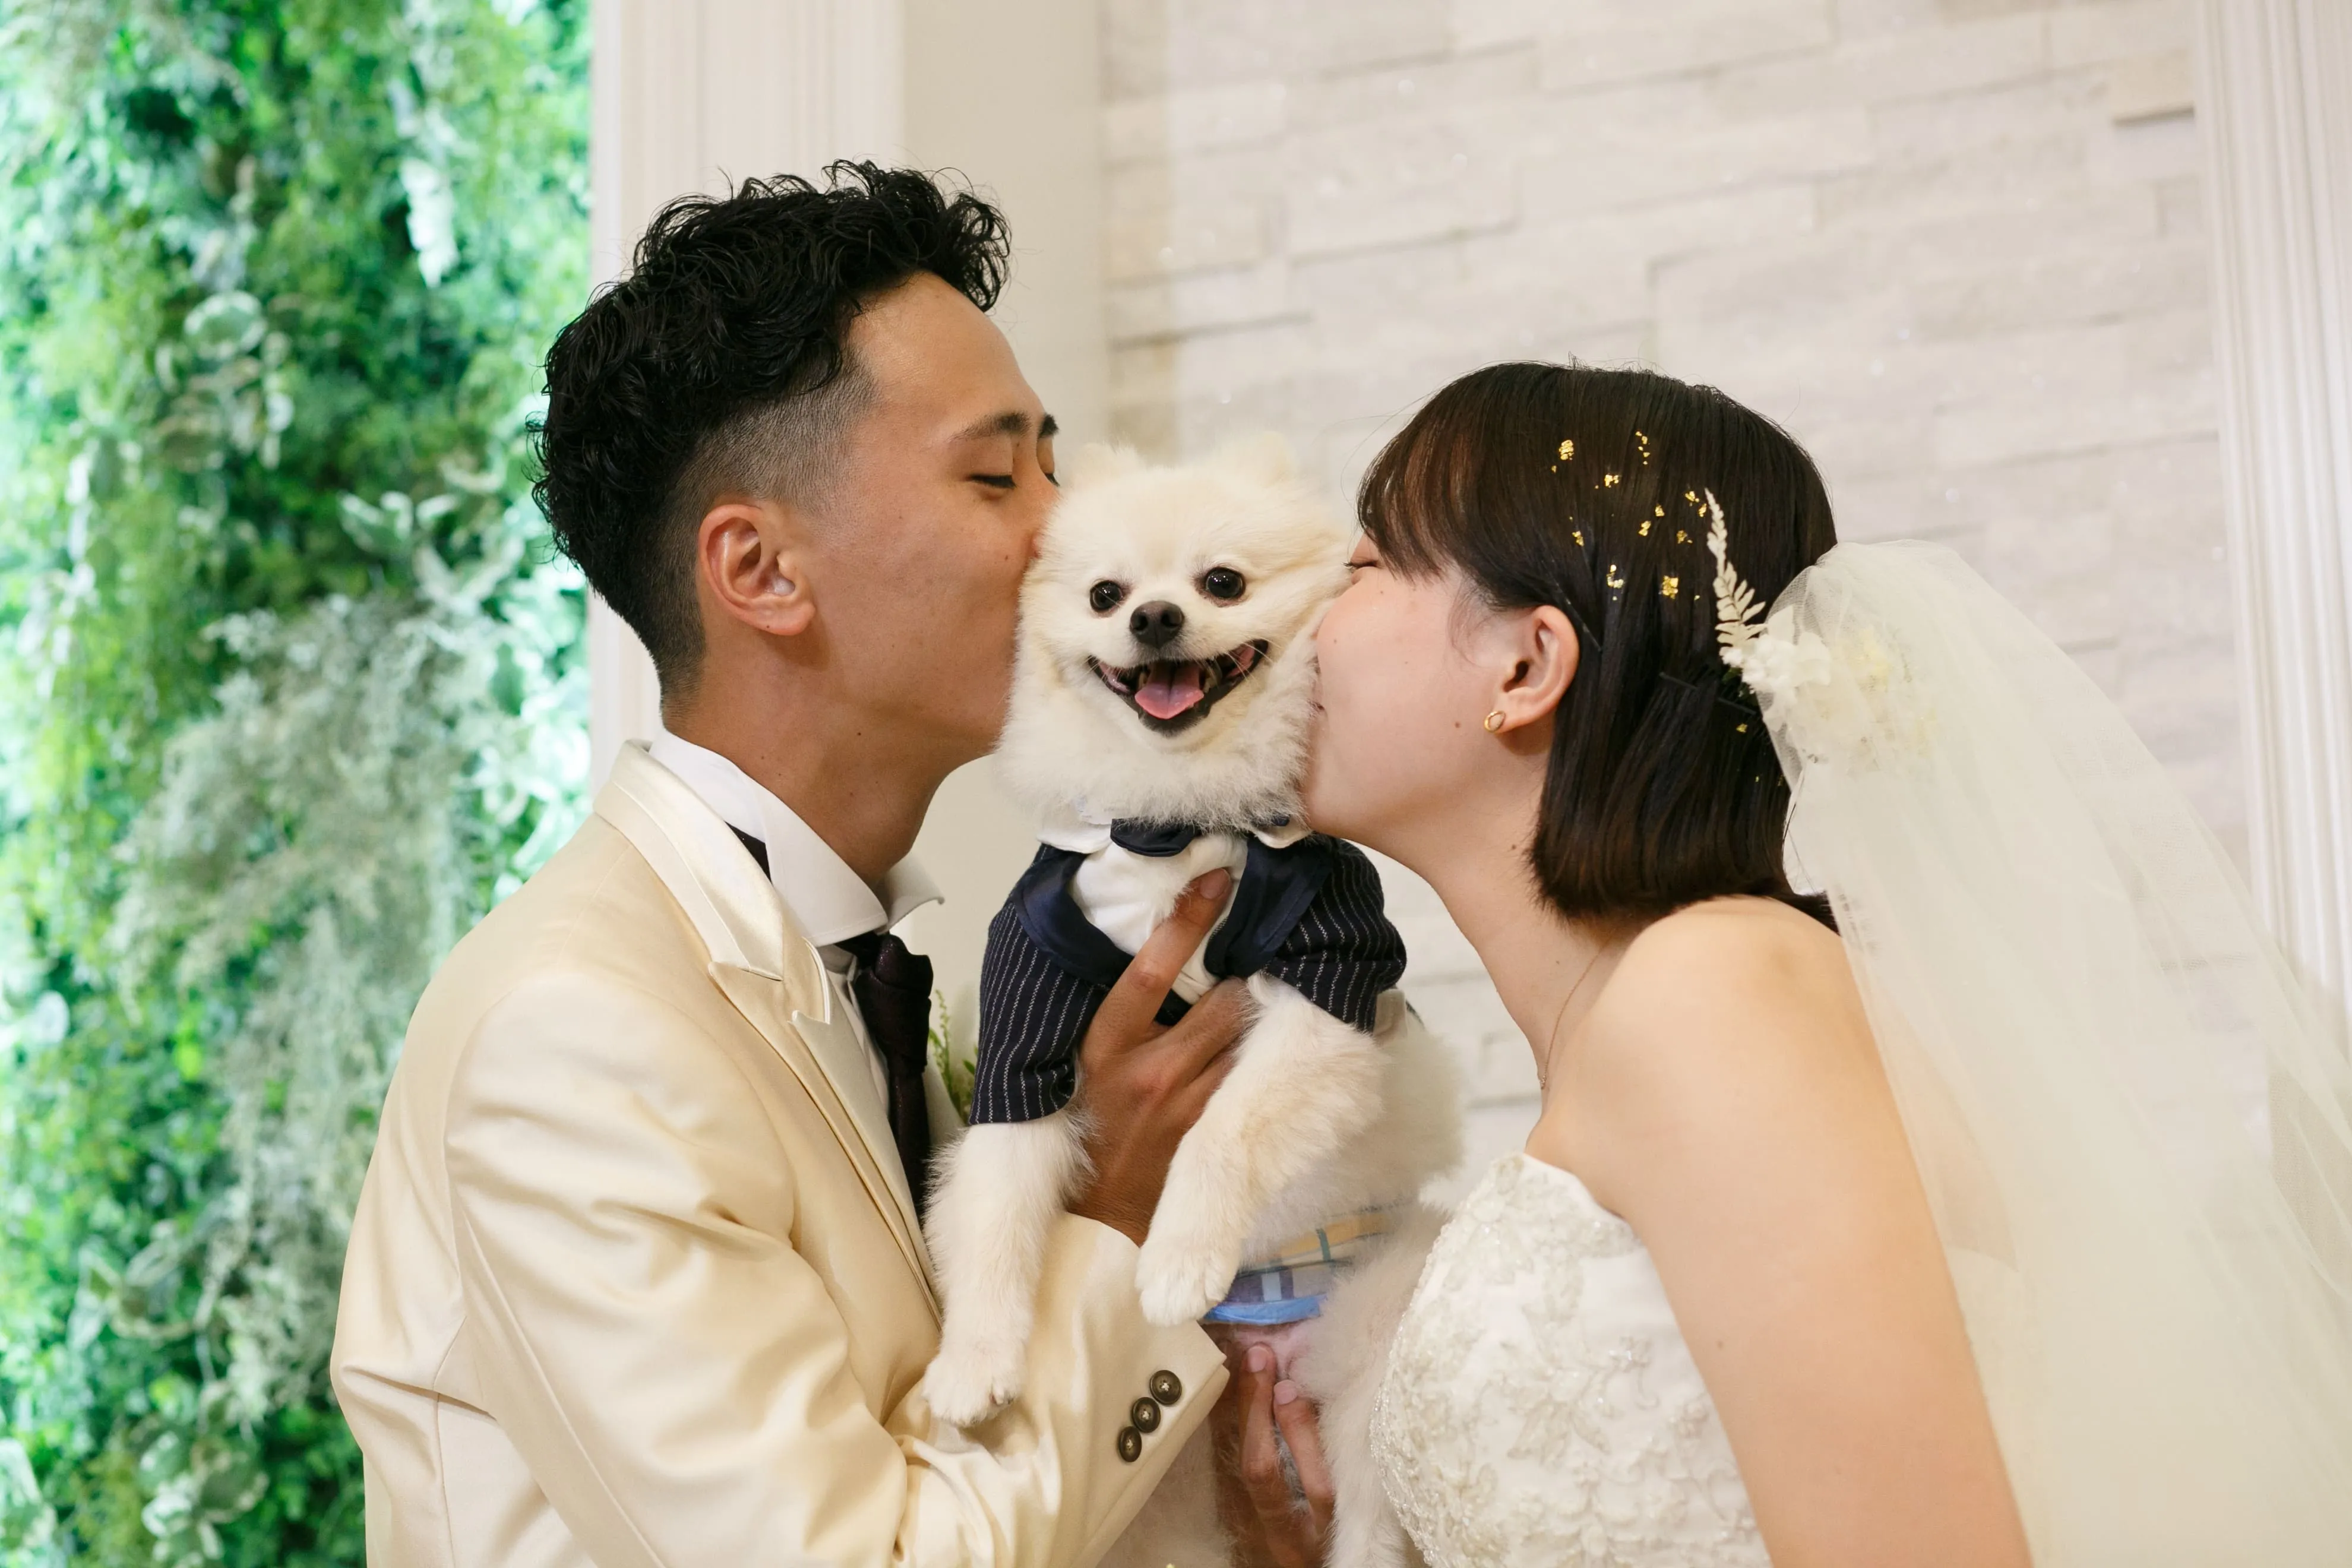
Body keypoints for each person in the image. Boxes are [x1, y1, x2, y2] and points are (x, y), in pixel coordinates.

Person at [329, 164, 1311, 1567]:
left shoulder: (866, 961)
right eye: (998, 476)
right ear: (761, 572)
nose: (1070, 530)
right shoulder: (575, 1035)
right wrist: (1108, 1217)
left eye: (1055, 465)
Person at [1301, 361, 2352, 1565]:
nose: (1304, 620)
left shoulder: (1711, 996)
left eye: (1365, 564)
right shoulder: (1662, 1007)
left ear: (1526, 667)